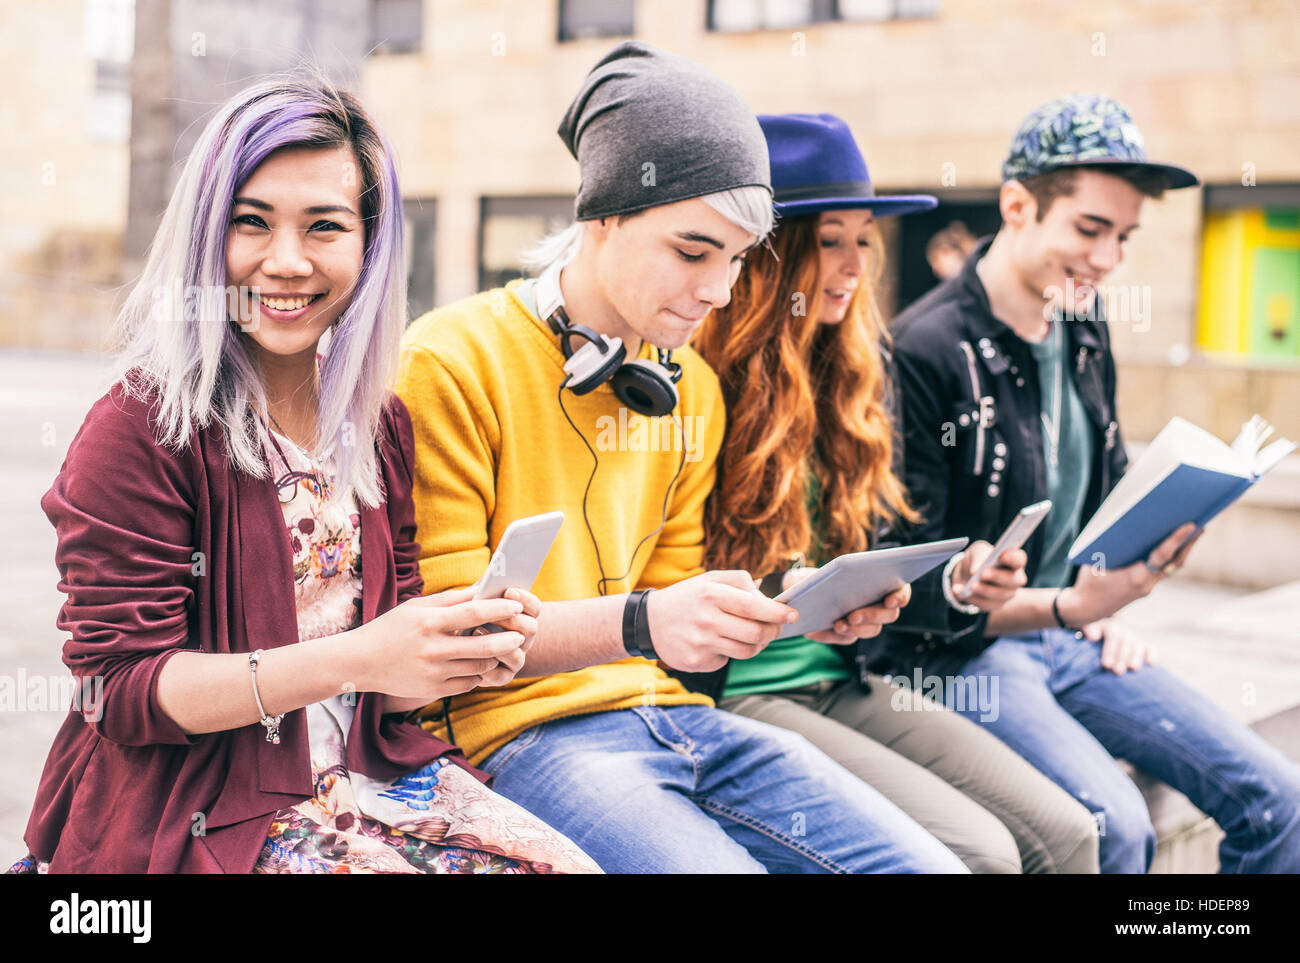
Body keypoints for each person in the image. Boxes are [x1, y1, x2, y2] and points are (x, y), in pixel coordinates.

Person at [395, 42, 968, 874]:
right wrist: (645, 621)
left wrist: (789, 608)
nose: (718, 291)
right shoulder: (450, 360)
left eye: (737, 260)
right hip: (517, 734)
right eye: (693, 252)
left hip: (672, 713)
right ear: (602, 215)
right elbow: (449, 643)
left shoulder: (690, 383)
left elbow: (670, 609)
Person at [7, 75, 597, 874]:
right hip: (197, 808)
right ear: (204, 236)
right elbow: (117, 691)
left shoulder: (380, 421)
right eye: (251, 223)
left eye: (324, 226)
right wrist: (360, 655)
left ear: (370, 243)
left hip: (367, 776)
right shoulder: (141, 426)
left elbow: (384, 690)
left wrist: (451, 651)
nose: (286, 262)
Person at [874, 92, 1300, 873]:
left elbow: (1105, 480)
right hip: (969, 659)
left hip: (1073, 634)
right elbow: (906, 592)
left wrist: (1115, 582)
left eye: (1124, 238)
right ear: (1016, 206)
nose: (1107, 261)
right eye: (1090, 230)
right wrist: (1069, 605)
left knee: (1281, 798)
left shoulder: (1083, 324)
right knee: (1114, 827)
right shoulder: (921, 349)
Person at [685, 112, 1099, 874]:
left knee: (1070, 832)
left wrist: (955, 581)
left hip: (849, 675)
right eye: (827, 241)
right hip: (738, 692)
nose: (851, 266)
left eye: (862, 241)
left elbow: (879, 554)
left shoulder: (862, 372)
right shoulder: (700, 379)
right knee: (985, 854)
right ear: (767, 254)